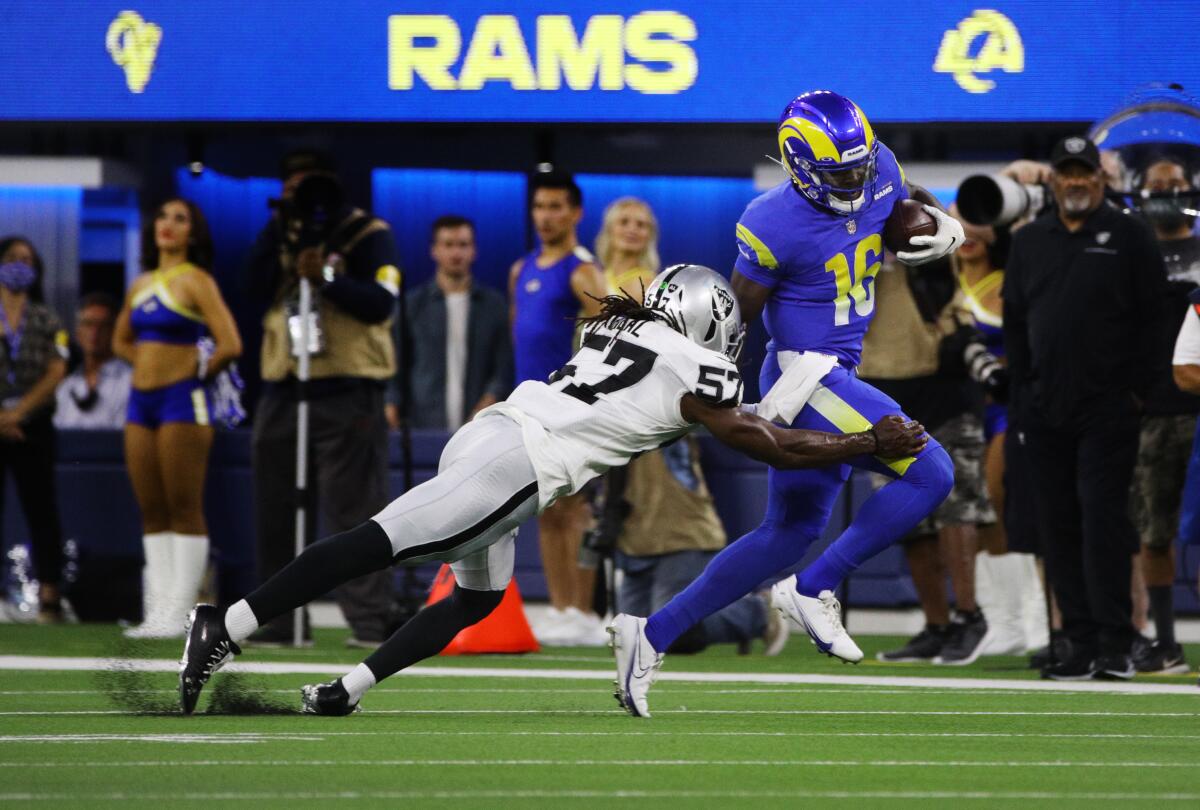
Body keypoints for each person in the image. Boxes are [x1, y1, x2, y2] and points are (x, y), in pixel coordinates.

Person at [178, 264, 927, 716]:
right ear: (707, 322)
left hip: (495, 434)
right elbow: (757, 440)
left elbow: (714, 420)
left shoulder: (617, 331)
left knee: (475, 597)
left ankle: (347, 688)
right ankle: (229, 624)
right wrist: (866, 443)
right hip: (519, 463)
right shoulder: (697, 369)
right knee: (384, 543)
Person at [611, 92, 959, 713]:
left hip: (842, 369)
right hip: (804, 375)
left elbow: (905, 206)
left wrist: (939, 224)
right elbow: (733, 321)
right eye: (839, 173)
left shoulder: (878, 165)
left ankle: (650, 634)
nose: (855, 180)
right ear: (799, 166)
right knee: (932, 471)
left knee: (786, 530)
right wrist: (699, 390)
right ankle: (815, 586)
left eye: (859, 167)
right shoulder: (770, 220)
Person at [1004, 136, 1168, 681]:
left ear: (1100, 179)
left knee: (1103, 521)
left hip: (1109, 406)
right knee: (1058, 525)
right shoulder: (1030, 242)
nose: (1076, 182)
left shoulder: (1130, 235)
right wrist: (1022, 399)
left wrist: (1138, 392)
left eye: (1085, 173)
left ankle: (1115, 641)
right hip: (1046, 406)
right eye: (1066, 173)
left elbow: (1155, 321)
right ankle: (1075, 642)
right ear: (1053, 180)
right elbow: (1016, 327)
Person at [593, 199, 785, 656]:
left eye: (643, 223)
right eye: (624, 222)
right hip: (615, 452)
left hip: (664, 444)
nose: (633, 230)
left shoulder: (668, 291)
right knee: (632, 635)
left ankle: (759, 613)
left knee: (671, 631)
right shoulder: (590, 285)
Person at [246, 151, 400, 647]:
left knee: (354, 511)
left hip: (346, 388)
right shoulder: (279, 235)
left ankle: (369, 621)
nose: (303, 199)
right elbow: (248, 288)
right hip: (284, 388)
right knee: (275, 508)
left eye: (312, 187)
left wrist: (327, 277)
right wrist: (279, 232)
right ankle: (280, 617)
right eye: (293, 188)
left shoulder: (367, 233)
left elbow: (382, 303)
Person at [859, 253, 1000, 666]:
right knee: (903, 514)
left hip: (944, 381)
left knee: (957, 508)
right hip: (880, 388)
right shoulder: (839, 234)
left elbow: (936, 254)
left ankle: (970, 617)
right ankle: (937, 625)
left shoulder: (911, 216)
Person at [112, 199, 241, 639]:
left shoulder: (197, 281)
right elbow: (120, 341)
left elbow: (230, 343)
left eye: (180, 219)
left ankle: (181, 613)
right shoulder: (140, 283)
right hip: (140, 403)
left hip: (183, 404)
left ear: (193, 233)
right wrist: (148, 363)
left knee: (184, 506)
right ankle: (156, 612)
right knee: (151, 507)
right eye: (162, 217)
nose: (168, 225)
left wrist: (192, 371)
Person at [509, 170, 609, 645]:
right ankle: (560, 606)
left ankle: (585, 611)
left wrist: (584, 396)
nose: (546, 217)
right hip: (529, 408)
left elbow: (610, 342)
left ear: (575, 213)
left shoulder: (582, 270)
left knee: (576, 507)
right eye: (539, 207)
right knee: (546, 507)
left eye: (555, 207)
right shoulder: (520, 269)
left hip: (571, 408)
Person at [1127, 157, 1200, 674]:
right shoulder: (1131, 253)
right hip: (1151, 409)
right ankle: (1166, 640)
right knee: (1154, 532)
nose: (1167, 194)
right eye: (1157, 187)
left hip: (1199, 406)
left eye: (1175, 186)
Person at [386, 215, 511, 431]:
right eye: (448, 245)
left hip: (479, 429)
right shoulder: (412, 305)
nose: (456, 253)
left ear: (474, 250)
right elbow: (395, 366)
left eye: (463, 245)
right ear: (434, 250)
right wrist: (391, 406)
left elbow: (503, 370)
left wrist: (484, 409)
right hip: (421, 426)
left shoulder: (494, 305)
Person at [0, 237, 70, 623]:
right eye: (11, 258)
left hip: (33, 425)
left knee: (42, 510)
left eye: (27, 259)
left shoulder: (47, 318)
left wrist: (18, 414)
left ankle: (49, 596)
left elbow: (57, 369)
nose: (19, 265)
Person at [54, 292, 131, 430]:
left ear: (115, 331)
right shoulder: (66, 386)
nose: (95, 333)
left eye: (103, 325)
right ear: (78, 333)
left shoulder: (130, 382)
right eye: (88, 324)